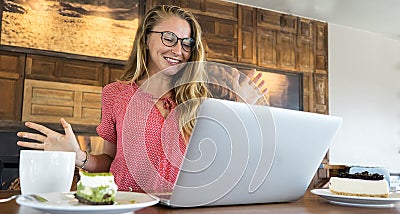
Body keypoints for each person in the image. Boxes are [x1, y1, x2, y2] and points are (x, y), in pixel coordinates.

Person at [17, 5, 266, 193]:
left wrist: (250, 110)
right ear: (146, 39)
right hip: (129, 208)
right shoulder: (115, 93)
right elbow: (110, 161)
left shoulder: (200, 99)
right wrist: (77, 156)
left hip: (186, 210)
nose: (178, 50)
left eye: (187, 43)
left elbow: (226, 162)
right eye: (168, 38)